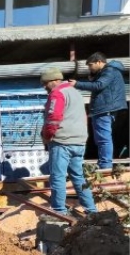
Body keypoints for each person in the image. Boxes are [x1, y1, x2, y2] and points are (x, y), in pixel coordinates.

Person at [40, 67, 98, 216]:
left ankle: (59, 211)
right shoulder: (76, 93)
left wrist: (47, 136)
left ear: (53, 81)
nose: (44, 87)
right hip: (79, 141)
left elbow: (54, 118)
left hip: (62, 142)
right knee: (78, 176)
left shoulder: (57, 93)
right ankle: (91, 211)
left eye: (45, 83)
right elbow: (84, 117)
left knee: (58, 177)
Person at [70, 53, 126, 170]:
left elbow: (99, 85)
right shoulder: (109, 71)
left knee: (103, 138)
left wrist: (77, 84)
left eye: (91, 65)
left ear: (99, 62)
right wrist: (94, 77)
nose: (89, 68)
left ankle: (105, 165)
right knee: (102, 138)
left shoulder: (109, 71)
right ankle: (104, 162)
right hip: (106, 108)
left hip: (104, 109)